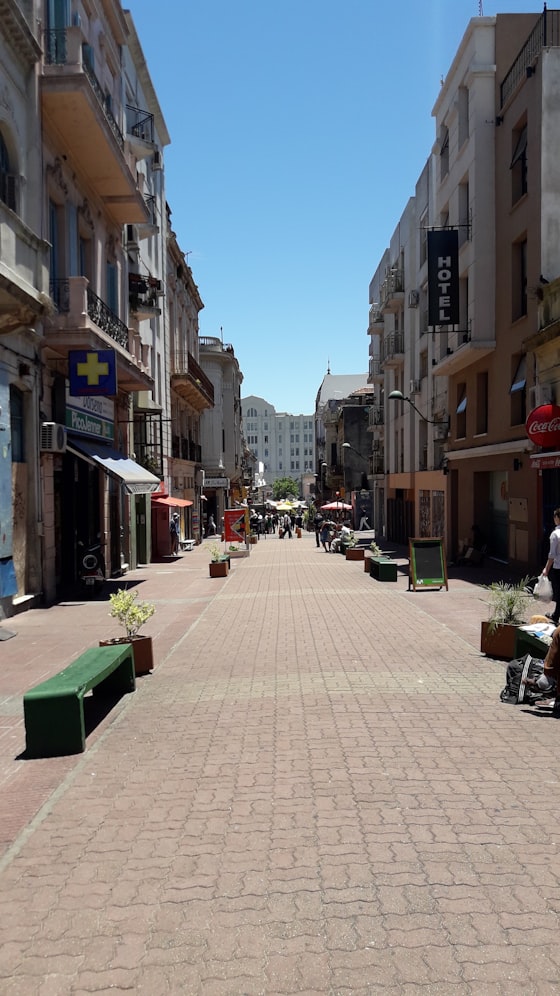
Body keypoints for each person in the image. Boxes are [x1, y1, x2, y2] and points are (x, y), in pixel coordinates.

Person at [541, 508, 560, 625]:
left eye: (554, 517)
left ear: (557, 518)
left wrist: (546, 569)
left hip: (558, 567)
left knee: (559, 592)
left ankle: (556, 615)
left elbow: (552, 555)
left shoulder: (555, 534)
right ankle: (556, 614)